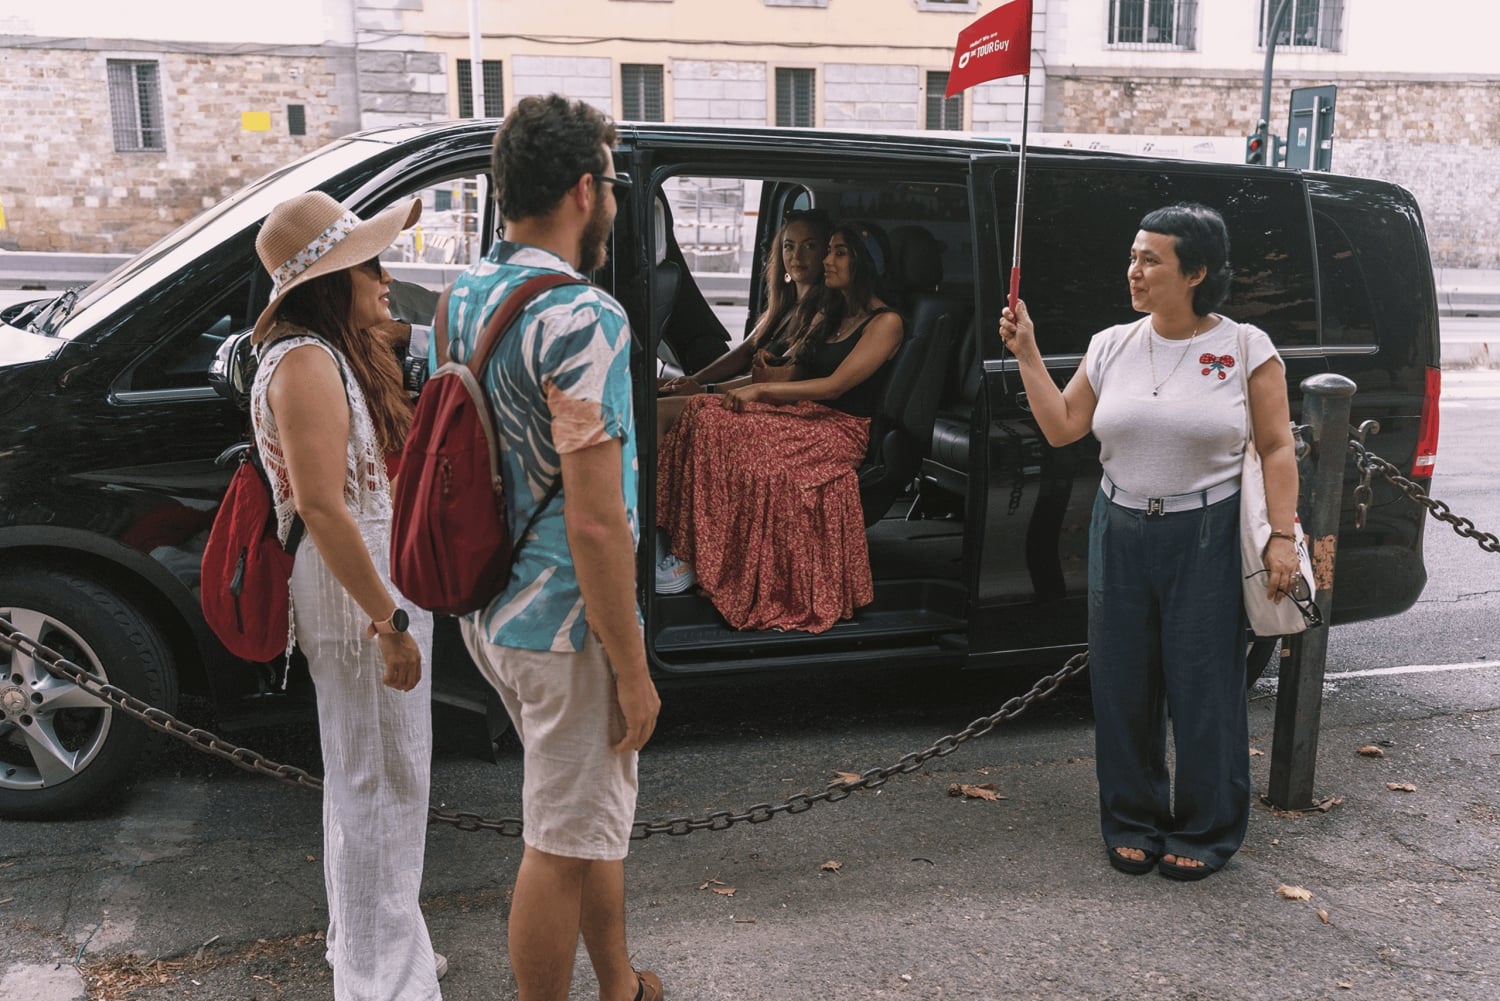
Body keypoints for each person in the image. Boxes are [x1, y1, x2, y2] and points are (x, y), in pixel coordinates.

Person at [998, 202, 1300, 881]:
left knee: (1204, 684)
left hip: (1208, 529)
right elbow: (1063, 426)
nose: (1134, 269)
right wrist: (1028, 353)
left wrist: (1282, 536)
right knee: (1122, 681)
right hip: (1122, 525)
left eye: (1150, 259)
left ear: (1194, 271)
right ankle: (1131, 818)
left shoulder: (1247, 347)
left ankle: (1207, 826)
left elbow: (1278, 447)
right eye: (1133, 256)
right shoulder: (1112, 344)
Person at [441, 94, 662, 1001]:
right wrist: (634, 663)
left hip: (491, 605)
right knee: (557, 844)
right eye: (610, 182)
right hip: (567, 625)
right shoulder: (584, 320)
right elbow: (597, 520)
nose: (612, 198)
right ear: (584, 189)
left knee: (585, 821)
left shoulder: (467, 294)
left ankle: (618, 985)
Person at [248, 190, 445, 999]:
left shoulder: (319, 354)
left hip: (358, 579)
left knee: (371, 777)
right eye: (371, 265)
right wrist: (388, 617)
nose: (386, 278)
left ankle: (371, 944)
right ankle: (380, 979)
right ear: (331, 279)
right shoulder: (306, 362)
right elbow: (324, 504)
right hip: (355, 588)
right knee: (380, 783)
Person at [655, 222, 904, 632]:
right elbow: (787, 363)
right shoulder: (835, 312)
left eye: (838, 252)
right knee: (703, 412)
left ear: (865, 263)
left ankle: (694, 551)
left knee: (709, 418)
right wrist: (728, 384)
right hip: (806, 417)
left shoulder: (885, 322)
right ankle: (686, 540)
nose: (825, 260)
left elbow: (835, 386)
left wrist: (761, 392)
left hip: (838, 430)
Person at [655, 207, 833, 412]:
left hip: (769, 406)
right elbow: (744, 351)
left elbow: (775, 376)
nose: (796, 256)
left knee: (659, 411)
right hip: (741, 395)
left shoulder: (821, 313)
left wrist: (706, 390)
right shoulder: (784, 307)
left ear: (824, 254)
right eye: (789, 246)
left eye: (809, 246)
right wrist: (693, 379)